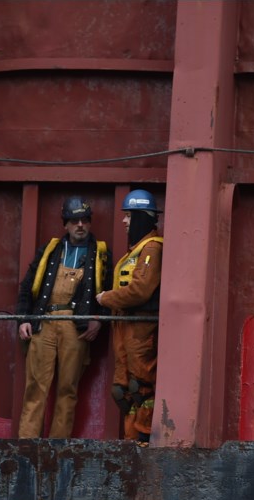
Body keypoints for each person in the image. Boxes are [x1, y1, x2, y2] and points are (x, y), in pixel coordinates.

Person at [16, 196, 112, 438]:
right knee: (35, 388)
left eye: (84, 220)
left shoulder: (100, 254)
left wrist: (99, 320)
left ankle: (58, 450)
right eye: (74, 220)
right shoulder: (50, 251)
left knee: (68, 390)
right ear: (65, 225)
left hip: (74, 327)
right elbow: (26, 287)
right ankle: (26, 445)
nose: (80, 225)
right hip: (44, 322)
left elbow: (109, 293)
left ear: (89, 223)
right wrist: (24, 319)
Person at [95, 189, 163, 447]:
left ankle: (143, 441)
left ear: (140, 218)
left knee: (142, 386)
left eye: (128, 216)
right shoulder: (136, 251)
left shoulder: (152, 249)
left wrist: (106, 299)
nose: (124, 222)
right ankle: (130, 443)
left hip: (141, 329)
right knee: (123, 390)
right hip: (125, 328)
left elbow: (140, 290)